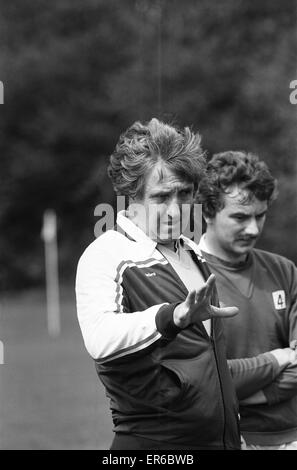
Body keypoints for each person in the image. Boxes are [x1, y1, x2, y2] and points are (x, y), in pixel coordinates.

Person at [75, 118, 241, 450]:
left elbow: (207, 362)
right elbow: (99, 338)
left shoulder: (193, 252)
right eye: (162, 196)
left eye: (184, 194)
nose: (175, 210)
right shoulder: (106, 254)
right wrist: (171, 317)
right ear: (131, 195)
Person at [197, 151, 297, 450]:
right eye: (240, 217)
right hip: (223, 440)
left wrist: (238, 393)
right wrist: (279, 358)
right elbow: (203, 380)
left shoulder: (285, 270)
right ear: (208, 212)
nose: (253, 229)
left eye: (261, 215)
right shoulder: (188, 277)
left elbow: (219, 385)